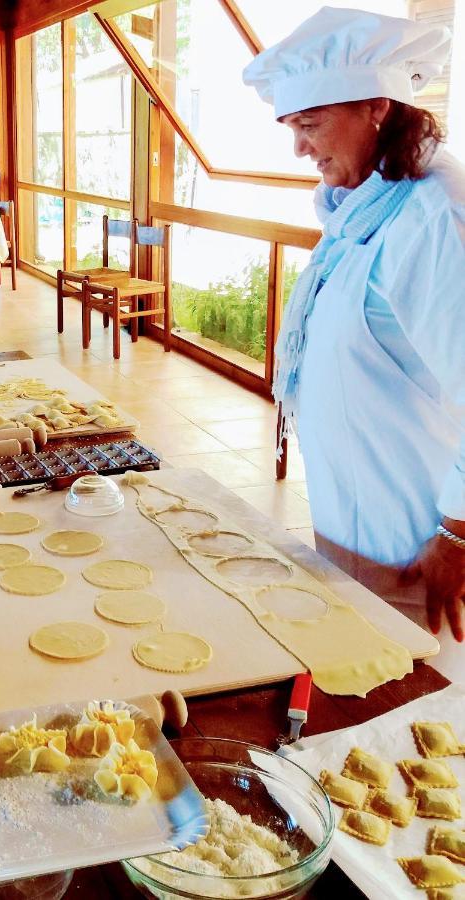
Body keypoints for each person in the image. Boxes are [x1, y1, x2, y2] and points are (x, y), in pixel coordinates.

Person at [243, 8, 464, 681]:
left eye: (309, 125)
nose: (300, 148)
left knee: (414, 732)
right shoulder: (364, 206)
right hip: (357, 530)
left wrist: (458, 535)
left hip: (417, 552)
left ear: (375, 107)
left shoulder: (435, 218)